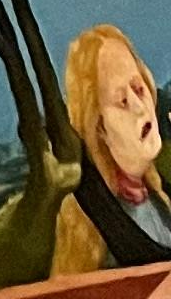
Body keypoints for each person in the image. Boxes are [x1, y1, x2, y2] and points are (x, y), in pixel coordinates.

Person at [58, 24, 171, 273]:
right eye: (122, 101)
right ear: (99, 129)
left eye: (139, 88)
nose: (140, 107)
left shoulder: (160, 198)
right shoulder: (99, 231)